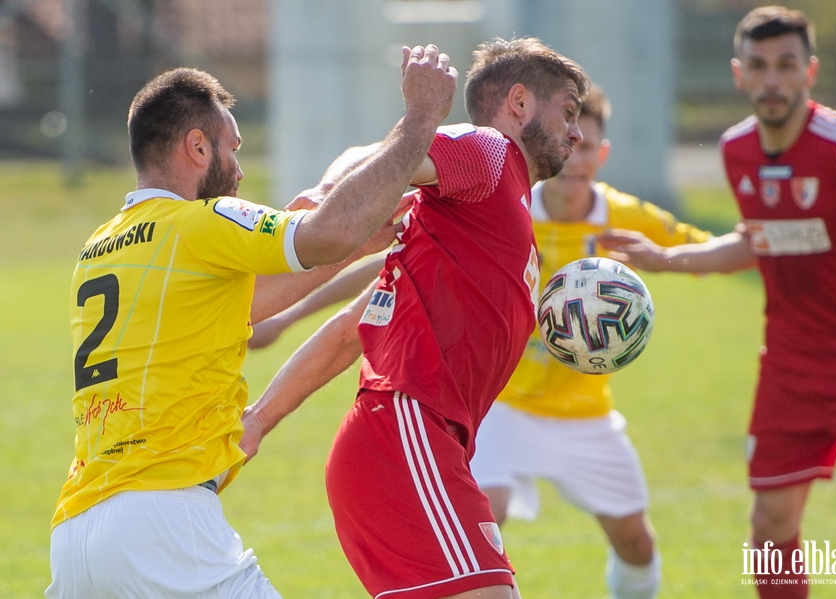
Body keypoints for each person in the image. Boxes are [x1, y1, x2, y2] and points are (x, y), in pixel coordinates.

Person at [245, 85, 711, 599]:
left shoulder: (614, 215)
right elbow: (390, 249)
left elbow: (701, 247)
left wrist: (662, 258)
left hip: (559, 415)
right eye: (568, 124)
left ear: (602, 155)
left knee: (634, 542)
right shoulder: (490, 171)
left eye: (585, 139)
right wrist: (292, 294)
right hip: (451, 419)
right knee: (489, 540)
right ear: (521, 105)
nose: (575, 144)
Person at [47, 45, 457, 599]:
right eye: (232, 149)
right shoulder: (201, 220)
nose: (240, 169)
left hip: (77, 532)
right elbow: (324, 233)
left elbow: (245, 301)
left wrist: (360, 241)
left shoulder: (100, 247)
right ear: (197, 146)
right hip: (164, 521)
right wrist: (421, 119)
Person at [242, 37, 590, 599]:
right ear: (519, 104)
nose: (577, 132)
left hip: (413, 443)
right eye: (568, 112)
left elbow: (351, 330)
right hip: (406, 434)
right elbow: (376, 154)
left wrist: (260, 417)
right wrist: (329, 193)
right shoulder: (490, 153)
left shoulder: (484, 214)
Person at [601, 6, 836, 597]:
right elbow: (757, 238)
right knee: (769, 527)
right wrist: (667, 259)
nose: (772, 80)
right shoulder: (736, 150)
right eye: (759, 66)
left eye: (786, 65)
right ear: (739, 75)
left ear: (809, 71)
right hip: (789, 367)